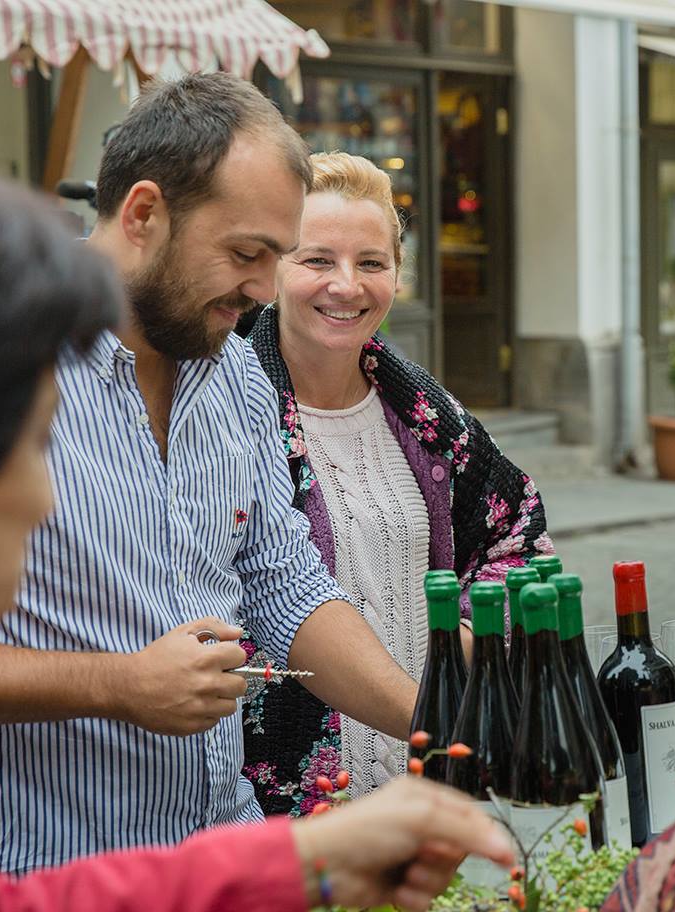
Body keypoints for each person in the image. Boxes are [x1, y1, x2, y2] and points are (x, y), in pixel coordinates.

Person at [0, 159, 513, 911]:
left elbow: (285, 582)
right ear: (144, 215)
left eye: (279, 256)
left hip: (217, 841)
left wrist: (430, 724)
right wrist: (116, 685)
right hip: (42, 854)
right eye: (250, 253)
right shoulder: (14, 350)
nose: (265, 287)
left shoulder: (237, 370)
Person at [240, 152, 552, 810]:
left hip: (428, 786)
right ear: (273, 269)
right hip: (283, 813)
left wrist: (459, 650)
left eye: (371, 263)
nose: (346, 285)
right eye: (317, 259)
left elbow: (519, 538)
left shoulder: (430, 418)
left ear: (397, 274)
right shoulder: (227, 414)